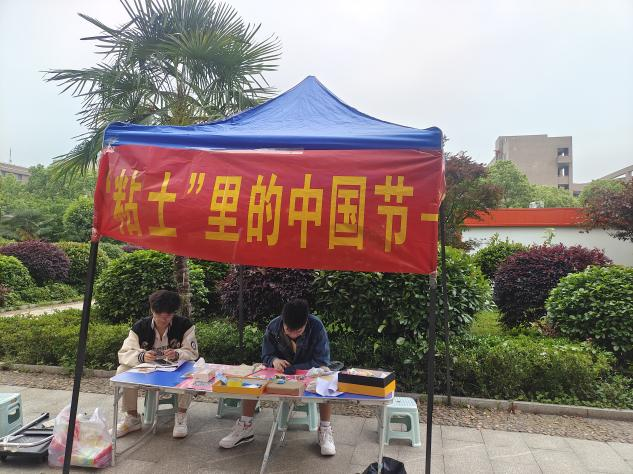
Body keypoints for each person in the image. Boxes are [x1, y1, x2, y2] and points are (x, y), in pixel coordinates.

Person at [219, 298, 336, 455]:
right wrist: (274, 360)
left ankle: (325, 429)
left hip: (308, 371)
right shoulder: (274, 326)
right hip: (279, 373)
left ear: (306, 322)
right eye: (288, 330)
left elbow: (322, 361)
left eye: (298, 331)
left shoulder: (316, 327)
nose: (292, 335)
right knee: (254, 379)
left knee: (327, 380)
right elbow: (266, 355)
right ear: (283, 320)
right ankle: (245, 426)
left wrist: (297, 369)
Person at [115, 289, 199, 439]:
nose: (164, 319)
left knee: (192, 367)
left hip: (174, 368)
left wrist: (177, 354)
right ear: (152, 310)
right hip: (148, 369)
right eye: (160, 314)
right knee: (122, 370)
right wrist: (142, 356)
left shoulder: (185, 325)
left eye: (169, 315)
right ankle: (132, 418)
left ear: (174, 313)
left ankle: (181, 415)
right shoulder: (140, 327)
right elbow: (124, 353)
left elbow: (192, 352)